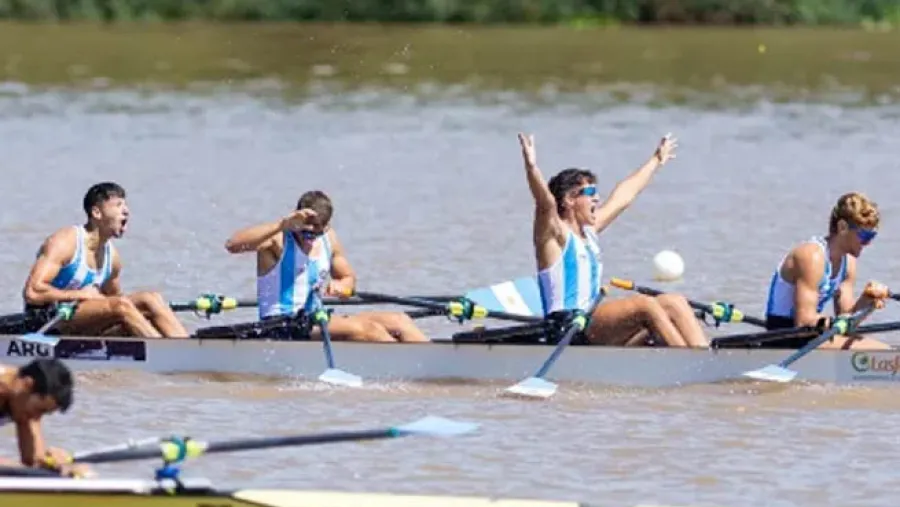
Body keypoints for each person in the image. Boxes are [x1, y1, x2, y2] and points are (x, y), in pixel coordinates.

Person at [517, 132, 708, 348]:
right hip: (566, 328)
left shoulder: (589, 232)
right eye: (589, 192)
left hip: (589, 324)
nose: (597, 198)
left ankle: (704, 355)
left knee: (674, 302)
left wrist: (655, 160)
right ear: (569, 200)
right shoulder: (554, 236)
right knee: (645, 306)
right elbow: (545, 204)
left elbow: (624, 196)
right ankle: (688, 363)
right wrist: (532, 168)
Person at [223, 190, 429, 343]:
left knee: (399, 320)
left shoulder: (330, 239)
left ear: (327, 226)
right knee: (368, 330)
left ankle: (436, 366)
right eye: (305, 231)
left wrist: (342, 286)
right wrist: (281, 224)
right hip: (280, 324)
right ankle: (404, 369)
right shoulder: (277, 240)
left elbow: (348, 278)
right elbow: (232, 245)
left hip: (314, 318)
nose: (310, 237)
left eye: (316, 232)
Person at [21, 182, 188, 338]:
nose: (126, 211)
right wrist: (80, 294)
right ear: (96, 213)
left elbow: (114, 299)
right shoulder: (65, 242)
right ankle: (162, 351)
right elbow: (32, 292)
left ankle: (186, 346)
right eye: (118, 205)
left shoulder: (112, 257)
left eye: (125, 205)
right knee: (120, 306)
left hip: (81, 320)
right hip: (46, 320)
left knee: (150, 298)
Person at [763, 192, 889, 349]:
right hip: (783, 335)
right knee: (886, 353)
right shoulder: (811, 256)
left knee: (885, 352)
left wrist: (867, 301)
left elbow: (846, 318)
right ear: (842, 227)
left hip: (809, 334)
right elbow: (804, 321)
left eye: (872, 237)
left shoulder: (848, 263)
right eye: (864, 236)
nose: (867, 243)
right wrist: (834, 323)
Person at [0, 358, 91, 478]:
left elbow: (33, 461)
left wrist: (56, 464)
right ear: (27, 384)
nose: (37, 418)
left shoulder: (23, 402)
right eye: (39, 410)